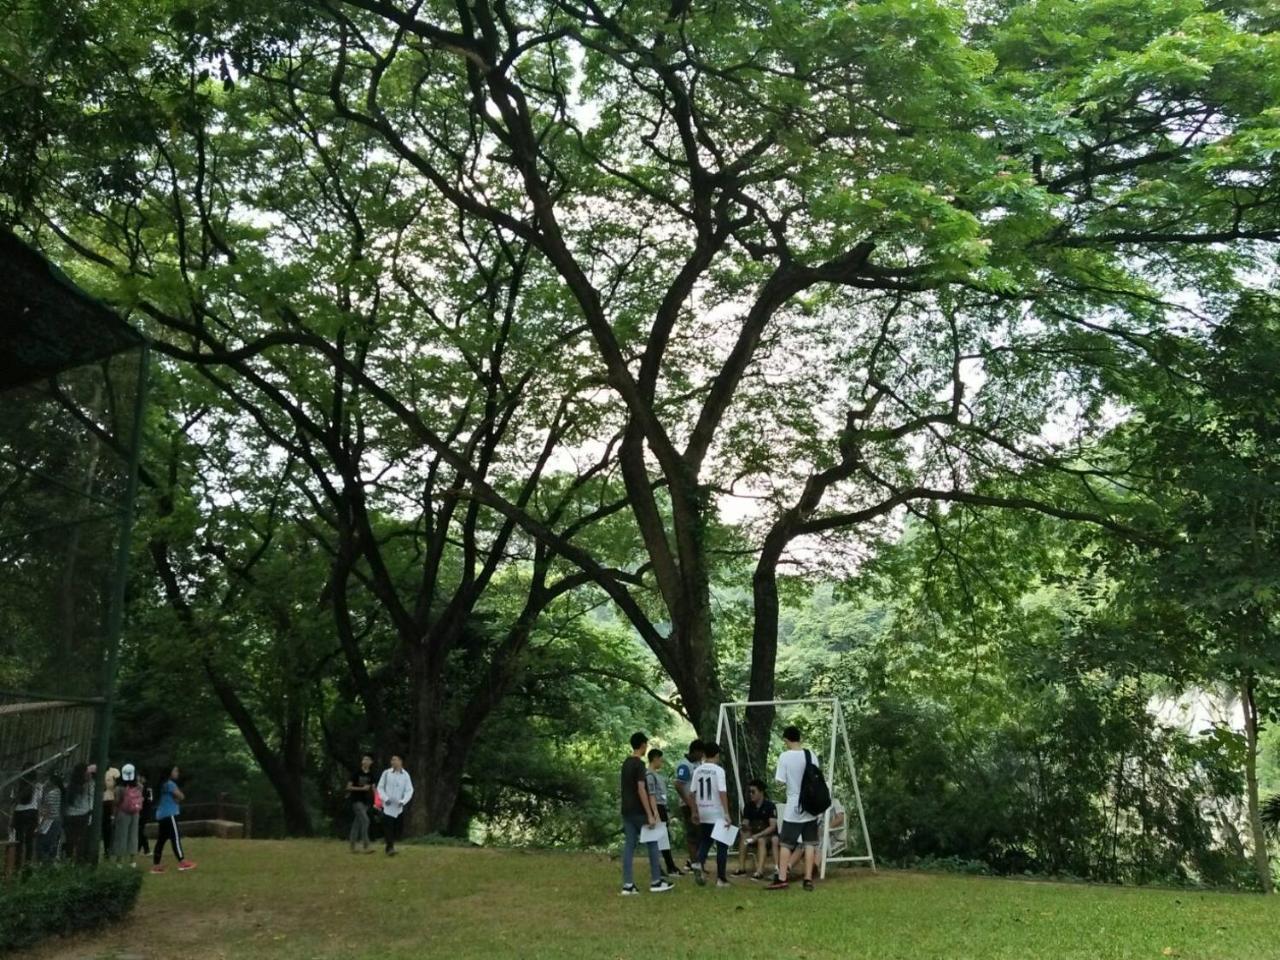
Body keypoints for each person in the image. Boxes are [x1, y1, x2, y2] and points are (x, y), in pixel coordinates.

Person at [619, 731, 672, 896]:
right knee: (652, 843)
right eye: (646, 744)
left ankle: (627, 884)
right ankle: (656, 880)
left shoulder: (626, 763)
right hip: (639, 811)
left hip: (626, 810)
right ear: (642, 745)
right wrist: (650, 813)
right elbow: (642, 789)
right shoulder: (639, 765)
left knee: (629, 845)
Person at [767, 726, 820, 892]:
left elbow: (780, 781)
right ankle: (808, 879)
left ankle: (782, 877)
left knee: (786, 844)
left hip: (794, 805)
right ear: (800, 738)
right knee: (810, 843)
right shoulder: (811, 754)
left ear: (786, 740)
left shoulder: (785, 756)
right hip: (811, 806)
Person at [690, 741, 733, 888]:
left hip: (703, 810)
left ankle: (698, 861)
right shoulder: (718, 771)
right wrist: (726, 812)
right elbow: (722, 792)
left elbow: (692, 793)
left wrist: (694, 810)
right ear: (716, 755)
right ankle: (721, 878)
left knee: (706, 841)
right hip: (716, 811)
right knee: (722, 844)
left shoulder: (698, 770)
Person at [152, 765, 197, 874]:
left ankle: (156, 865)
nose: (177, 773)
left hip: (161, 814)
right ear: (170, 772)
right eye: (175, 771)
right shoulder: (170, 784)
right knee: (175, 838)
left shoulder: (162, 784)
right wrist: (178, 798)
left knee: (161, 840)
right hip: (170, 814)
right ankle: (182, 862)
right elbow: (181, 796)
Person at [646, 748, 682, 877]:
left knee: (663, 837)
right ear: (655, 758)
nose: (661, 762)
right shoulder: (649, 775)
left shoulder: (657, 775)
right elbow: (651, 794)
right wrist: (654, 811)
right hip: (656, 807)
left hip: (661, 807)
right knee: (656, 838)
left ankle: (670, 866)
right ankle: (660, 867)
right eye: (660, 759)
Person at [734, 778, 779, 880]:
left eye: (753, 792)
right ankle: (741, 868)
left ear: (761, 792)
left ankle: (759, 871)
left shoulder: (770, 806)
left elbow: (772, 827)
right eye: (749, 792)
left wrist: (758, 835)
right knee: (744, 835)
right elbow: (746, 822)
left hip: (768, 836)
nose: (751, 794)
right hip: (753, 834)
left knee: (761, 840)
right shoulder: (748, 806)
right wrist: (744, 827)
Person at [673, 739, 704, 869]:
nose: (702, 756)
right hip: (688, 805)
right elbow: (678, 784)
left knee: (700, 833)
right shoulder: (684, 765)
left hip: (700, 804)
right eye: (701, 753)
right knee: (692, 833)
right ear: (695, 751)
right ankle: (694, 863)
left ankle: (697, 860)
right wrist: (689, 803)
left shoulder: (698, 764)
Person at [376, 755, 413, 856]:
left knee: (397, 828)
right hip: (388, 805)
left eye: (395, 760)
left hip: (398, 806)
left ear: (401, 761)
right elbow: (380, 787)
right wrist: (385, 798)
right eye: (392, 760)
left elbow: (409, 790)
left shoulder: (405, 775)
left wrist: (403, 801)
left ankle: (391, 845)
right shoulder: (386, 773)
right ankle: (389, 848)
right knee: (388, 826)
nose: (393, 762)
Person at [62, 763, 94, 863]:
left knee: (69, 839)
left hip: (69, 815)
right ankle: (79, 861)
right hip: (83, 814)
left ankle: (68, 858)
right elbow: (91, 800)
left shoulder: (69, 785)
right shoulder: (88, 785)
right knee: (81, 841)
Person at [112, 764, 144, 868]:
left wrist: (113, 815)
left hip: (123, 813)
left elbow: (117, 802)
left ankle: (119, 861)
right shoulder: (139, 786)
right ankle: (132, 861)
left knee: (121, 836)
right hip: (135, 812)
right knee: (133, 835)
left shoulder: (120, 788)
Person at [12, 763, 40, 869]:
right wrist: (38, 820)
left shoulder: (17, 785)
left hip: (19, 813)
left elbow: (14, 803)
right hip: (32, 813)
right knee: (29, 842)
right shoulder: (37, 785)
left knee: (18, 841)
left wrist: (12, 819)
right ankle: (28, 867)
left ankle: (16, 865)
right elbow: (39, 803)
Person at [347, 753, 377, 854]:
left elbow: (374, 788)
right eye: (364, 759)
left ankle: (352, 847)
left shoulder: (371, 775)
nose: (365, 761)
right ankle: (366, 845)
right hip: (356, 801)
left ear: (371, 762)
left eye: (367, 759)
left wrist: (378, 800)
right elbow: (348, 787)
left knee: (357, 823)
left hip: (366, 802)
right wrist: (361, 788)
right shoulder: (356, 773)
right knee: (366, 820)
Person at [36, 769, 64, 863]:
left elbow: (47, 811)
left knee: (43, 845)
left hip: (50, 822)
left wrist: (40, 826)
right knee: (52, 845)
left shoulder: (52, 794)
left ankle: (45, 865)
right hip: (57, 820)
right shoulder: (59, 791)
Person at [101, 761, 120, 856]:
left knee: (111, 825)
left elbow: (118, 784)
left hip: (112, 800)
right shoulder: (99, 771)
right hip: (102, 801)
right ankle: (106, 848)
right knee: (105, 826)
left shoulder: (114, 771)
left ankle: (111, 847)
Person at [137, 773, 154, 855]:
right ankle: (143, 849)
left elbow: (145, 800)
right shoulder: (148, 787)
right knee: (140, 830)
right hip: (145, 811)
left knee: (140, 830)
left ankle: (143, 849)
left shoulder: (144, 787)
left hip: (143, 811)